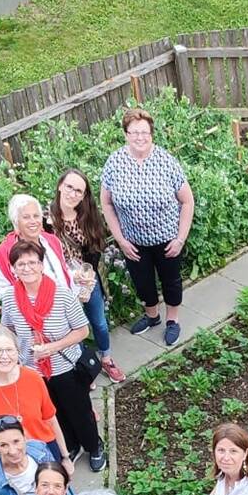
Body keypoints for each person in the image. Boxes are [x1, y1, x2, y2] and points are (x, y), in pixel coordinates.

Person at [3, 238, 105, 471]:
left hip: (65, 367)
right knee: (53, 413)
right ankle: (70, 445)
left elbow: (82, 330)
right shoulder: (10, 298)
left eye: (32, 262)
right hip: (33, 371)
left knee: (79, 410)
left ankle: (93, 445)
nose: (27, 268)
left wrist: (53, 347)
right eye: (21, 264)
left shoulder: (62, 294)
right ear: (13, 269)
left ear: (41, 265)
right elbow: (8, 328)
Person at [100, 108, 195, 347]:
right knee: (142, 282)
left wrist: (180, 239)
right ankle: (152, 316)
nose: (139, 137)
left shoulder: (166, 161)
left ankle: (172, 321)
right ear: (126, 134)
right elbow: (106, 203)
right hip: (133, 241)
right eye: (134, 132)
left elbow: (187, 201)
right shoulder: (115, 162)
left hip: (167, 239)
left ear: (151, 134)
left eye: (144, 132)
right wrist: (120, 239)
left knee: (171, 281)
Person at [49, 168, 126, 384]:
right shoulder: (47, 221)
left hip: (86, 280)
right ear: (60, 186)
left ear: (84, 196)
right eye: (69, 187)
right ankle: (84, 365)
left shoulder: (88, 216)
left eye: (79, 191)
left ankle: (106, 358)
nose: (73, 193)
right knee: (74, 327)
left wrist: (87, 277)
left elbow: (96, 248)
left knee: (99, 323)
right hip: (62, 286)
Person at [0, 326, 69, 463]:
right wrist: (3, 446)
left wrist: (65, 457)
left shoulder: (33, 378)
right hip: (7, 459)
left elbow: (50, 419)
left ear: (18, 352)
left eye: (10, 350)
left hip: (45, 451)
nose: (5, 356)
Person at [0, 194, 73, 315]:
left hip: (65, 310)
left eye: (36, 216)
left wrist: (76, 279)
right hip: (33, 316)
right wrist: (27, 304)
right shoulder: (5, 252)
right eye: (26, 217)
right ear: (16, 222)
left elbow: (63, 272)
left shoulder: (51, 241)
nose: (33, 221)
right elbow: (2, 288)